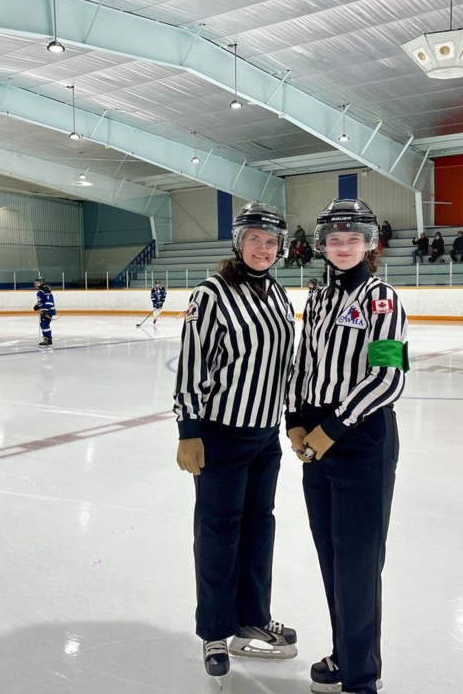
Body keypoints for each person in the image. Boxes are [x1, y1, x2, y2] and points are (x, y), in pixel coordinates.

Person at [286, 198, 409, 694]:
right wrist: (295, 419)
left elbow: (388, 377)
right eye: (334, 240)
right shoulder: (317, 298)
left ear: (369, 244)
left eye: (352, 239)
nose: (342, 247)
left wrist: (331, 428)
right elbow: (303, 364)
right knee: (331, 555)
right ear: (321, 245)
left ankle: (362, 677)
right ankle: (344, 654)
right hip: (317, 440)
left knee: (358, 562)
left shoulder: (382, 299)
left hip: (361, 440)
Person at [174, 202, 298, 686]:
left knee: (258, 529)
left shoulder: (278, 293)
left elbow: (285, 365)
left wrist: (290, 419)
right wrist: (188, 430)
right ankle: (215, 631)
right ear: (237, 241)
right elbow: (192, 364)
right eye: (255, 239)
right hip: (222, 435)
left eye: (271, 242)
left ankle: (252, 617)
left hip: (266, 436)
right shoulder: (212, 294)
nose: (263, 249)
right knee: (218, 531)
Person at [33, 276, 56, 346]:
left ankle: (48, 339)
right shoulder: (41, 290)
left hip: (47, 311)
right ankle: (46, 339)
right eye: (36, 283)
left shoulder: (45, 290)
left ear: (41, 282)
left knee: (45, 324)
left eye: (37, 283)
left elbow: (50, 301)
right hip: (44, 311)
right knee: (43, 324)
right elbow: (42, 301)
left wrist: (46, 309)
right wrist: (37, 305)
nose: (36, 284)